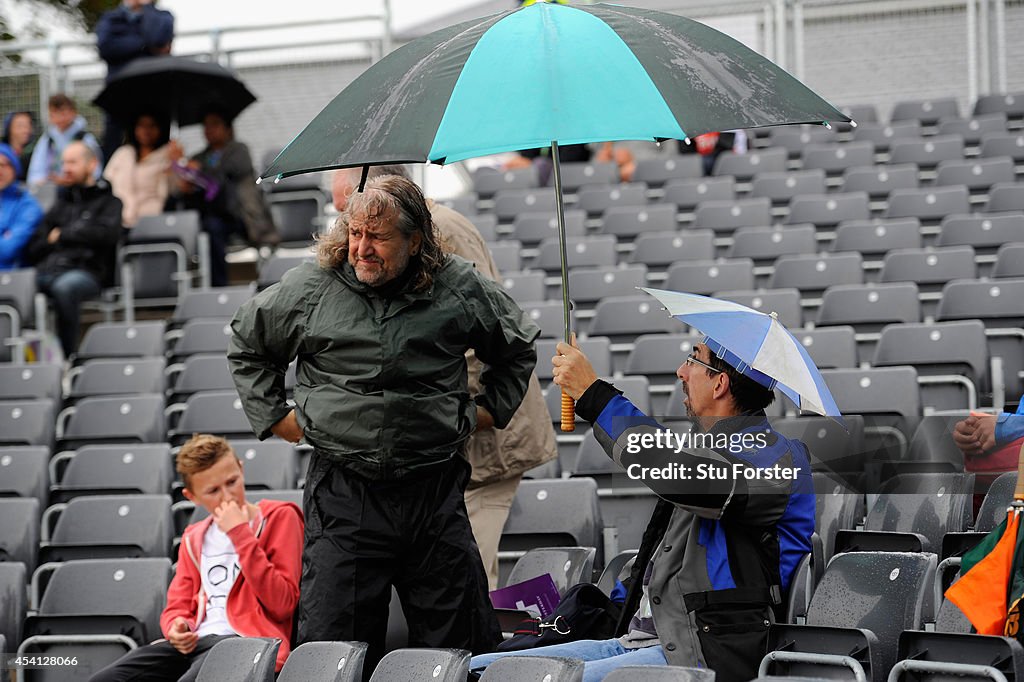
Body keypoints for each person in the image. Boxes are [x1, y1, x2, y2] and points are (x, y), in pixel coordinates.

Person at [228, 174, 538, 673]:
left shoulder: (457, 284)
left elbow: (516, 349)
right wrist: (277, 419)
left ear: (416, 240)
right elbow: (248, 343)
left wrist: (484, 412)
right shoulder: (312, 285)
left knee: (460, 648)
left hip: (433, 493)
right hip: (346, 496)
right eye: (354, 233)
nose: (362, 248)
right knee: (331, 650)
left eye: (378, 237)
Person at [470, 336, 815, 682]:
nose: (681, 371)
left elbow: (684, 474)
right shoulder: (706, 450)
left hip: (703, 648)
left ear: (720, 383)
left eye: (693, 361)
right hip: (637, 641)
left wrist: (593, 394)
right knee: (479, 669)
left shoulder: (780, 460)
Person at [331, 165, 558, 590]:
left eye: (350, 209)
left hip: (484, 442)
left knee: (470, 581)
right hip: (450, 439)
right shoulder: (404, 239)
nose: (348, 230)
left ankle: (481, 660)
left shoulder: (444, 233)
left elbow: (486, 336)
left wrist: (443, 410)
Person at [88, 434, 303, 682]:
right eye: (213, 491)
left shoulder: (280, 517)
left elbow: (282, 603)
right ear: (192, 497)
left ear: (241, 470)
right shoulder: (194, 536)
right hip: (194, 644)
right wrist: (178, 626)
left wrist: (240, 534)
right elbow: (178, 605)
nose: (227, 496)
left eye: (232, 481)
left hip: (248, 643)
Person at [23, 141, 122, 356]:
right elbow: (35, 244)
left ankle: (68, 356)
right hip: (49, 270)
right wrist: (76, 234)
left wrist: (62, 234)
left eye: (73, 162)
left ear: (92, 163)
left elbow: (106, 235)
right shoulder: (61, 203)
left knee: (65, 288)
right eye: (64, 162)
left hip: (88, 272)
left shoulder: (109, 202)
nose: (66, 168)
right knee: (18, 286)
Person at [171, 111, 276, 286]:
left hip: (241, 215)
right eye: (206, 126)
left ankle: (218, 285)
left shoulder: (239, 150)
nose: (209, 130)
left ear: (228, 128)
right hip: (210, 216)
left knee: (212, 229)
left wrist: (199, 170)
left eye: (215, 124)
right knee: (207, 228)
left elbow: (225, 176)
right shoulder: (199, 157)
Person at [95, 0, 175, 160]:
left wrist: (148, 8)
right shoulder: (109, 19)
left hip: (154, 96)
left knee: (157, 151)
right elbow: (106, 47)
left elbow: (158, 38)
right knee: (114, 151)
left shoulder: (163, 17)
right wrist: (146, 46)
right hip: (119, 96)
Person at [103, 113, 172, 227]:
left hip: (149, 223)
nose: (146, 130)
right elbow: (106, 182)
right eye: (142, 125)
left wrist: (177, 164)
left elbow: (169, 191)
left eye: (152, 125)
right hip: (117, 222)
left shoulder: (167, 157)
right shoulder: (124, 153)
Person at [27, 94, 103, 189]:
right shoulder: (47, 139)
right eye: (54, 113)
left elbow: (96, 169)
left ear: (73, 112)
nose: (59, 117)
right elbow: (36, 171)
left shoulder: (85, 138)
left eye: (63, 112)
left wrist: (74, 178)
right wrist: (44, 181)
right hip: (52, 189)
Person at [0, 143, 44, 270]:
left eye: (3, 165)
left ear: (15, 169)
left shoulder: (28, 205)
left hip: (11, 278)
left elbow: (8, 250)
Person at [679, 130, 748, 176]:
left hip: (720, 161)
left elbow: (727, 146)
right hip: (699, 159)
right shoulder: (688, 126)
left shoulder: (726, 122)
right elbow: (685, 150)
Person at [2, 111, 36, 182]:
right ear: (9, 129)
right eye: (20, 126)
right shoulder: (2, 154)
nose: (26, 130)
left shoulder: (35, 153)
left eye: (28, 125)